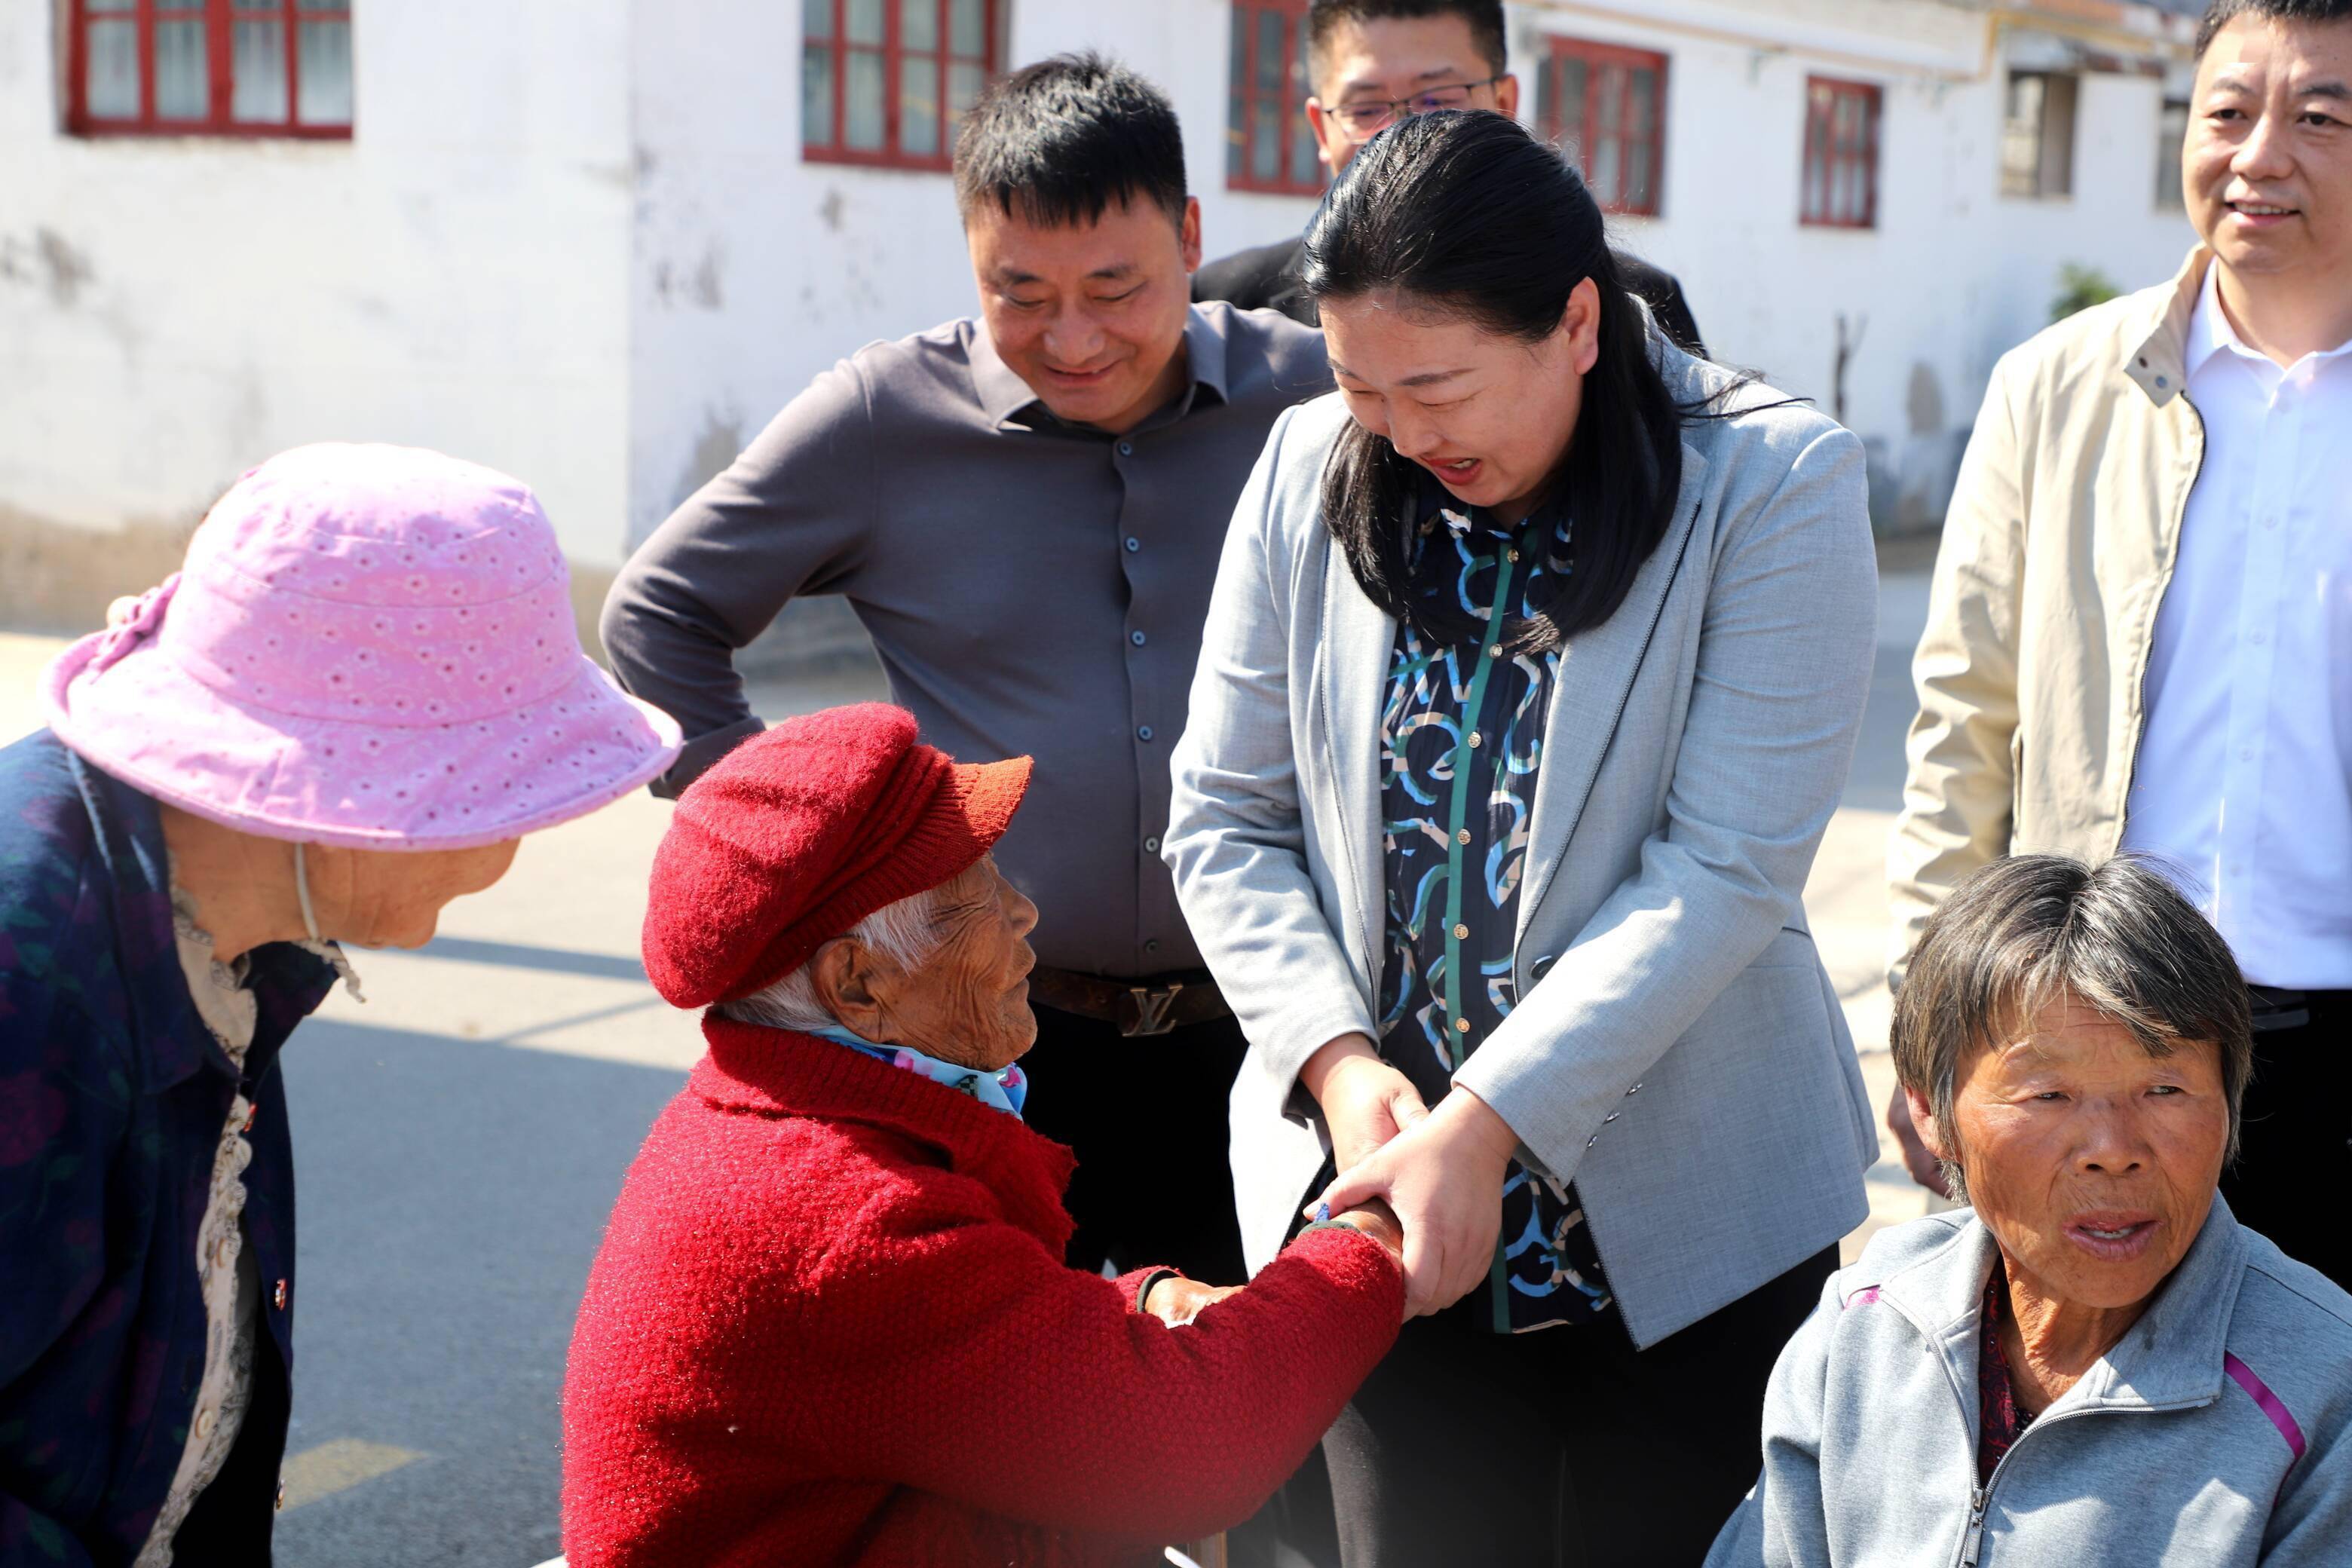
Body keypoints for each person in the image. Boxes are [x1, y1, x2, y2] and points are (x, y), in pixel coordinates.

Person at [1164, 109, 1879, 1565]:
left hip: (1691, 1231)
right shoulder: (1313, 464)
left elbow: (1727, 866)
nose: (1406, 435)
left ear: (1575, 323)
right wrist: (1341, 1065)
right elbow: (1224, 815)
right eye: (1365, 386)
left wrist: (1479, 1128)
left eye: (1438, 386)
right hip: (1380, 1215)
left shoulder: (1772, 483)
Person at [601, 54, 1328, 1294]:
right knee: (1013, 1425)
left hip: (1274, 1029)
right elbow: (658, 616)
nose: (1074, 337)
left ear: (1191, 236)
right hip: (991, 1038)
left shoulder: (1313, 396)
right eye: (1021, 293)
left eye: (1117, 288)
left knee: (1269, 1419)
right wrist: (821, 869)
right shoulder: (887, 419)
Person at [0, 443, 681, 1567]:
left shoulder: (231, 933)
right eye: (505, 790)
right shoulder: (33, 979)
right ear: (348, 797)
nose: (516, 839)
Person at [559, 703, 1407, 1568]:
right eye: (977, 897)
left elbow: (939, 1358)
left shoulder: (789, 1113)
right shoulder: (847, 1219)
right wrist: (1369, 1238)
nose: (1024, 912)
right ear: (857, 983)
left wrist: (1143, 1299)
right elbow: (1190, 1447)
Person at [1885, 0, 2352, 1290]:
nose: (2261, 154)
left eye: (2321, 116)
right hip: (2094, 1043)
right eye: (2226, 111)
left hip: (2341, 1053)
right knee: (2087, 1452)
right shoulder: (2060, 385)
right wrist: (1938, 1014)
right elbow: (1962, 720)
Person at [1710, 854, 2352, 1566]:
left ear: (2230, 1105)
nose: (2113, 1150)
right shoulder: (1865, 1327)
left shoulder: (2326, 1394)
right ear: (1928, 1110)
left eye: (2164, 1089)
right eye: (2049, 1094)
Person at [1192, 0, 1705, 356]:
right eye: (1366, 106)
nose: (1400, 133)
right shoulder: (1231, 309)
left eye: (1438, 99)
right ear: (1319, 127)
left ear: (1504, 104)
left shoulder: (1631, 302)